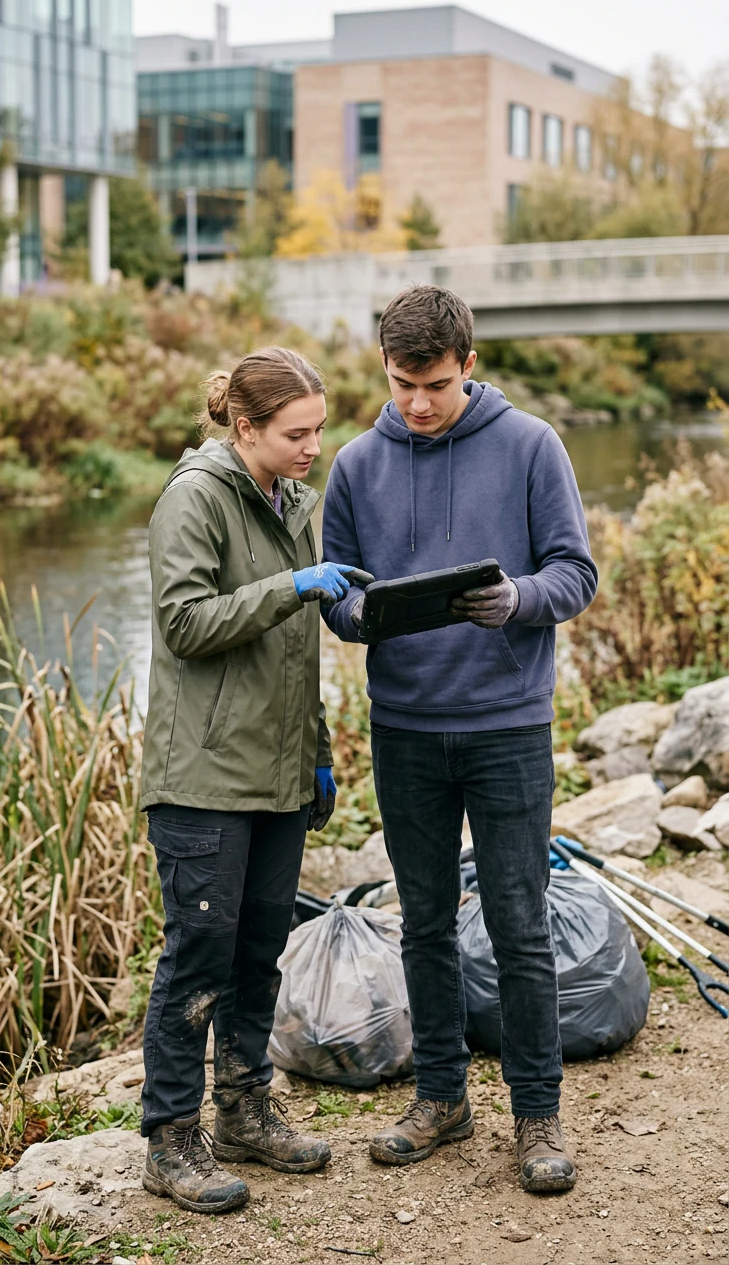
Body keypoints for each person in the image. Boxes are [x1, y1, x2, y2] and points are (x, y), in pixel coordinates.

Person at [322, 286, 598, 1193]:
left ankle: (536, 1115)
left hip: (509, 725)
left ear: (469, 366)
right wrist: (366, 614)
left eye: (434, 383)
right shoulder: (357, 464)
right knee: (426, 925)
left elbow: (576, 573)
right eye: (401, 383)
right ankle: (441, 1098)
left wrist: (518, 599)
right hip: (405, 729)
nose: (417, 403)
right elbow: (343, 603)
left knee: (521, 926)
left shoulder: (531, 446)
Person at [140, 346, 355, 1215]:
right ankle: (170, 1141)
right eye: (296, 434)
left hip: (276, 773)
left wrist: (319, 751)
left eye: (317, 432)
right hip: (202, 778)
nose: (313, 448)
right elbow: (185, 623)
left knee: (259, 953)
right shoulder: (192, 498)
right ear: (245, 427)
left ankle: (242, 1113)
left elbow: (295, 654)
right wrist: (290, 584)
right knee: (196, 958)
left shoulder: (293, 500)